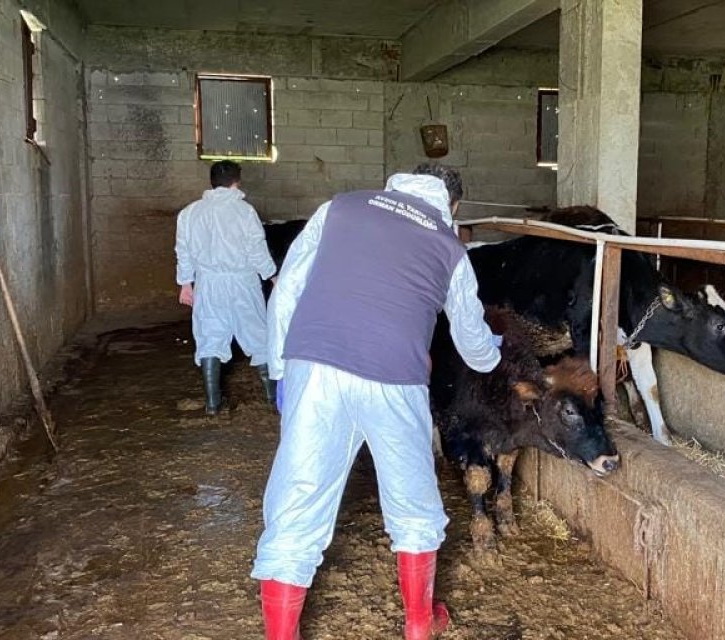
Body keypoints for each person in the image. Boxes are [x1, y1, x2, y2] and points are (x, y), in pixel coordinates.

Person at [253, 164, 502, 640]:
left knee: (297, 498)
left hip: (315, 365)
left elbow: (287, 289)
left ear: (396, 183)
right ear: (454, 206)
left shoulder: (340, 207)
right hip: (395, 378)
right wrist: (496, 352)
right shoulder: (450, 247)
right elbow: (474, 346)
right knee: (412, 502)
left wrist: (282, 369)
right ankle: (418, 625)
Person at [175, 160, 277, 414]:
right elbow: (256, 249)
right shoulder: (245, 211)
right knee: (258, 335)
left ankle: (212, 404)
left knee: (209, 337)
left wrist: (185, 284)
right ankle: (272, 399)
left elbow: (183, 251)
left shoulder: (190, 213)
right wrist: (272, 275)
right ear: (237, 181)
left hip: (208, 283)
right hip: (243, 281)